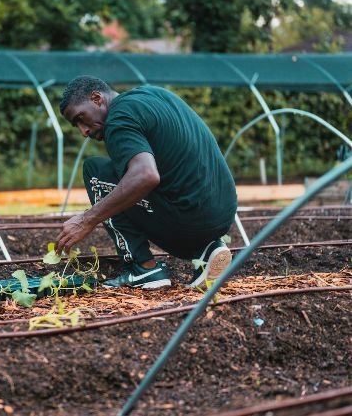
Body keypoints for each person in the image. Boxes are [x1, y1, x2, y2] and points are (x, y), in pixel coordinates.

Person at [54, 76, 237, 289]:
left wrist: (87, 219)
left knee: (95, 172)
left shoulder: (118, 119)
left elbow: (145, 176)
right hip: (222, 214)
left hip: (191, 221)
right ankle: (208, 249)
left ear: (97, 98)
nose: (83, 131)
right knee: (130, 178)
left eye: (80, 118)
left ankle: (142, 268)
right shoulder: (153, 94)